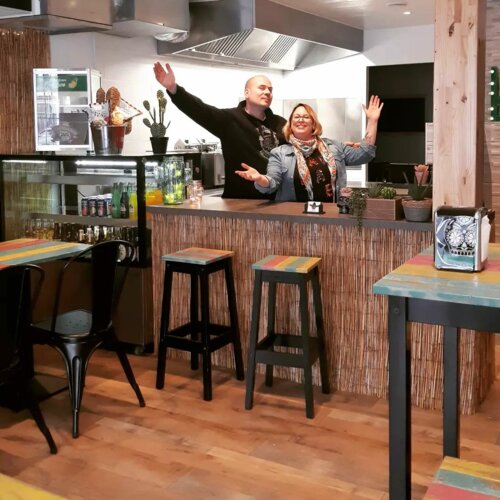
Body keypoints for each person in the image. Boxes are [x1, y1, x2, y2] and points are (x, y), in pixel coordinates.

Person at [153, 62, 287, 199]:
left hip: (277, 200)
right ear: (247, 93)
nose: (267, 92)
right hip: (239, 201)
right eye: (262, 88)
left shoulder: (281, 123)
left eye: (270, 90)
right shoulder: (230, 120)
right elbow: (199, 110)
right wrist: (173, 88)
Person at [235, 96, 383, 202]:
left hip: (331, 215)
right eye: (296, 117)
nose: (300, 119)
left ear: (313, 124)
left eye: (306, 117)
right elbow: (272, 183)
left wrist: (372, 121)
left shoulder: (334, 147)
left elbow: (365, 154)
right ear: (290, 124)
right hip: (296, 220)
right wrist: (260, 178)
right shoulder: (279, 153)